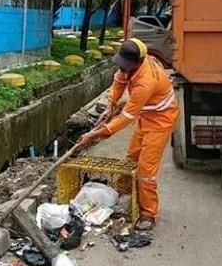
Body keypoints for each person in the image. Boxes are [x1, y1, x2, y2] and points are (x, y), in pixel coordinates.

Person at [77, 39, 179, 231]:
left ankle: (148, 214)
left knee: (145, 171)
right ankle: (123, 193)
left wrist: (96, 134)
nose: (123, 69)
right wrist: (111, 104)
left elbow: (126, 117)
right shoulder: (130, 67)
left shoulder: (146, 81)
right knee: (131, 158)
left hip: (160, 121)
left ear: (138, 63)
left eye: (126, 66)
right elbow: (118, 81)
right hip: (146, 116)